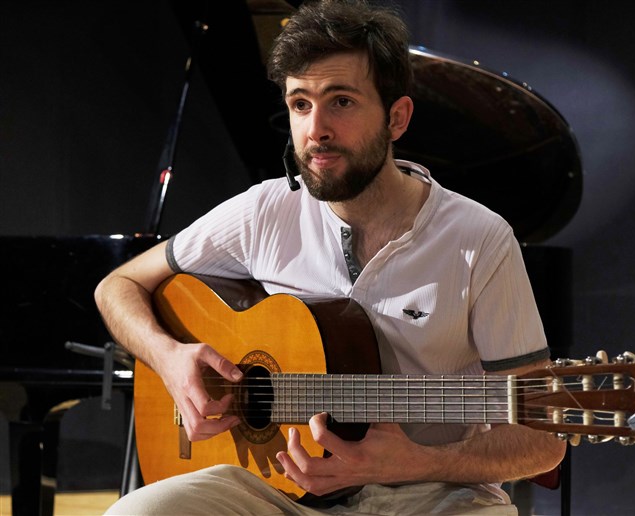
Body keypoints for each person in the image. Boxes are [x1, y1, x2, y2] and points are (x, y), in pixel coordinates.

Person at [96, 0, 567, 513]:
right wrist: (168, 357)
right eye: (300, 104)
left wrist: (415, 462)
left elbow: (543, 441)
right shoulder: (264, 211)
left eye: (341, 101)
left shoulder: (479, 238)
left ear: (397, 118)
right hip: (278, 493)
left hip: (433, 495)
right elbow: (118, 286)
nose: (315, 129)